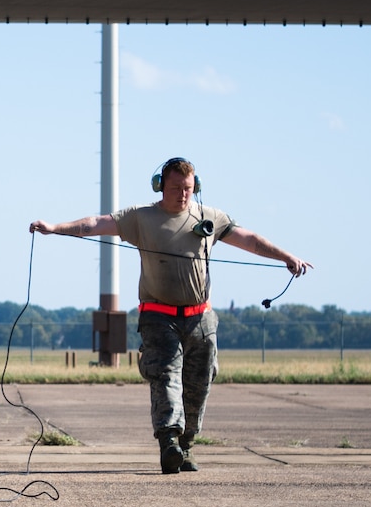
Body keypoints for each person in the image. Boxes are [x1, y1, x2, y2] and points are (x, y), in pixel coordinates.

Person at [30, 157, 311, 473]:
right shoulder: (141, 217)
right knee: (165, 377)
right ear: (160, 186)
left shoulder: (209, 217)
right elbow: (96, 224)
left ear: (196, 187)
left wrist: (285, 256)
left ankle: (186, 446)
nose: (182, 194)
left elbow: (249, 240)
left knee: (199, 383)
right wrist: (55, 228)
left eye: (188, 188)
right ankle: (169, 442)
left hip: (201, 319)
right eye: (175, 187)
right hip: (158, 317)